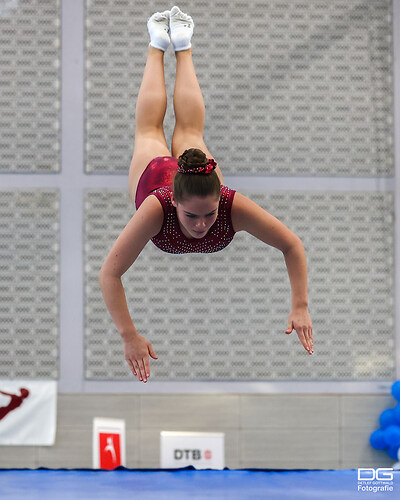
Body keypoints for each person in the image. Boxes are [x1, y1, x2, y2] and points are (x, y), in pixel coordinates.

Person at [99, 6, 313, 384]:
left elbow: (292, 245)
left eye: (209, 215)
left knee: (185, 131)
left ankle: (165, 41)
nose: (201, 225)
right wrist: (128, 336)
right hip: (154, 179)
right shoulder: (156, 207)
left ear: (220, 200)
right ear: (176, 204)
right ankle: (171, 45)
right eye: (192, 216)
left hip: (195, 179)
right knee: (155, 131)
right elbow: (110, 274)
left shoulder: (232, 206)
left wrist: (300, 305)